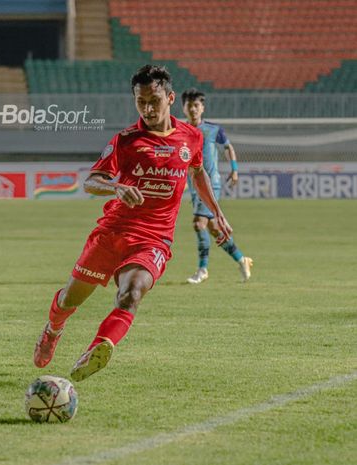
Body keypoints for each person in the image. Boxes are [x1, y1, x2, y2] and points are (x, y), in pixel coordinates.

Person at [33, 65, 233, 382]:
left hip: (154, 240)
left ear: (169, 98)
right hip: (113, 234)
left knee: (132, 294)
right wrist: (116, 187)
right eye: (141, 102)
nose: (148, 108)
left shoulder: (190, 137)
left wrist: (217, 211)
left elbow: (197, 172)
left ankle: (97, 347)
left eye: (154, 100)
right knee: (70, 299)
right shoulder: (126, 141)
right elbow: (91, 182)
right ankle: (53, 329)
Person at [181, 88, 253, 284]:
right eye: (189, 106)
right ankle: (241, 259)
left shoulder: (213, 129)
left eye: (196, 105)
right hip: (193, 184)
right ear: (184, 108)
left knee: (198, 223)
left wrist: (234, 169)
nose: (193, 109)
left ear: (202, 107)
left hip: (210, 182)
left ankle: (202, 269)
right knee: (213, 228)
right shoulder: (181, 130)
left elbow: (228, 147)